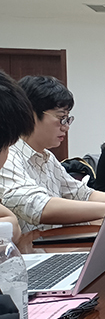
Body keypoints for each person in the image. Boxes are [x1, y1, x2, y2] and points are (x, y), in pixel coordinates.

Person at [0, 75, 105, 233]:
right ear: (30, 115)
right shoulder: (8, 156)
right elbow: (38, 207)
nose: (66, 127)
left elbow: (81, 194)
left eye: (67, 119)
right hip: (34, 247)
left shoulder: (46, 157)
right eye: (61, 118)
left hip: (53, 242)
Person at [0, 71, 35, 241]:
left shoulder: (48, 157)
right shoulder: (15, 158)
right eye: (6, 146)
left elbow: (13, 224)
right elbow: (34, 205)